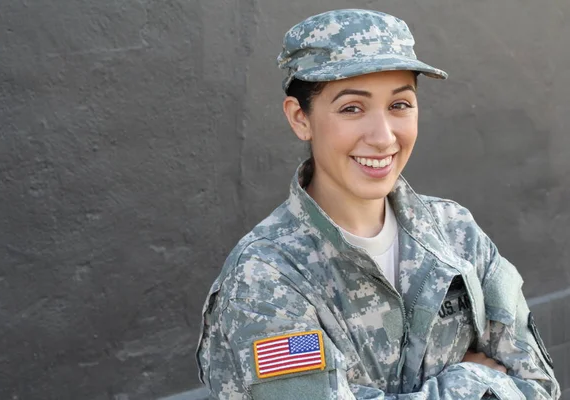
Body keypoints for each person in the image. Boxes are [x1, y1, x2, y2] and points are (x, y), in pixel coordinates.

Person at [196, 9, 560, 399]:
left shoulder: (455, 232)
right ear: (300, 118)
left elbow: (538, 386)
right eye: (352, 108)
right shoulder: (267, 278)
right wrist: (471, 381)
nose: (384, 137)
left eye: (399, 105)